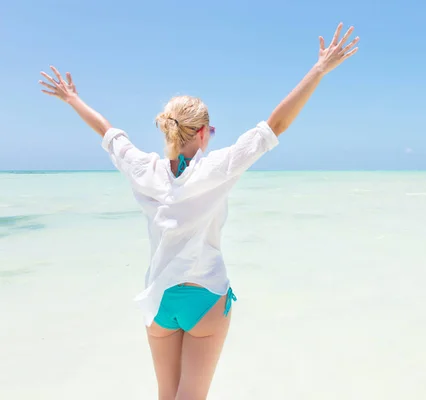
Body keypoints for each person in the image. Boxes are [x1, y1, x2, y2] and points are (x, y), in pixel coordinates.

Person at [39, 22, 359, 400]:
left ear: (168, 131)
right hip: (205, 299)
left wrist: (71, 99)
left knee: (166, 395)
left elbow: (109, 133)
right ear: (204, 132)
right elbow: (275, 126)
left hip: (158, 304)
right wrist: (319, 69)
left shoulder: (143, 169)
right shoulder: (215, 168)